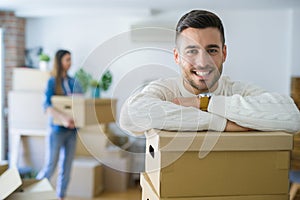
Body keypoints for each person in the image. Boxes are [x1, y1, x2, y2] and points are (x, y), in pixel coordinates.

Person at [119, 10, 300, 134]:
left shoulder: (237, 90)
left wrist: (202, 103)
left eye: (212, 50)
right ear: (177, 56)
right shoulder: (165, 90)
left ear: (224, 53)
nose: (202, 62)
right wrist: (220, 123)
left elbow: (291, 116)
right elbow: (130, 114)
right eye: (191, 51)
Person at [37, 49, 82, 200]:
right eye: (67, 59)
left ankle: (60, 197)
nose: (70, 62)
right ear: (60, 62)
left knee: (67, 169)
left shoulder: (73, 82)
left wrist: (77, 120)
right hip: (56, 131)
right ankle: (32, 194)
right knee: (50, 166)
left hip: (72, 131)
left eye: (71, 59)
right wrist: (63, 118)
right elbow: (47, 106)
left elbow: (80, 104)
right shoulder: (51, 82)